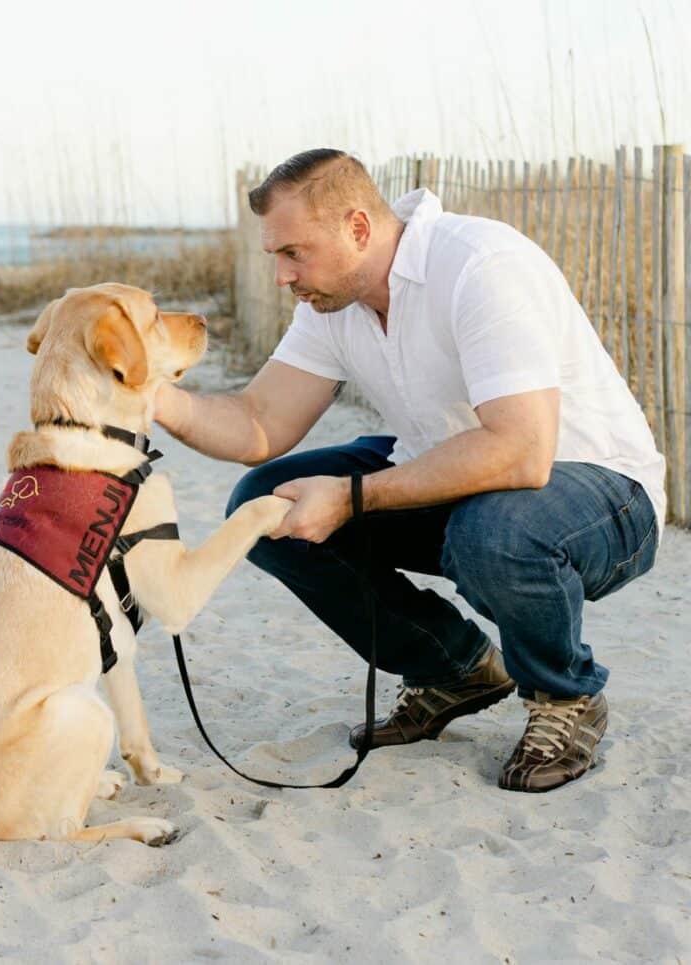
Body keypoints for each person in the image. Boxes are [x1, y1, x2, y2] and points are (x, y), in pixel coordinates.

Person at [153, 148, 665, 793]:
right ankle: (455, 669)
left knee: (495, 532)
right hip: (462, 484)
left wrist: (349, 496)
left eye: (294, 253)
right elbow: (259, 423)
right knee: (265, 507)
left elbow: (521, 451)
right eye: (275, 257)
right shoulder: (328, 306)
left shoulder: (480, 265)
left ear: (358, 228)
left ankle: (565, 696)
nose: (283, 277)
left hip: (596, 491)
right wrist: (153, 398)